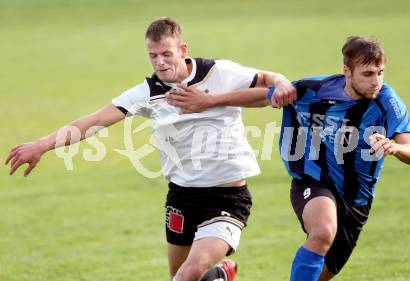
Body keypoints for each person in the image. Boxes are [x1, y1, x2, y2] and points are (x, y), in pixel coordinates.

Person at [4, 17, 294, 281]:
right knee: (179, 276)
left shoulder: (218, 72)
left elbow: (270, 80)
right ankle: (220, 276)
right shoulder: (147, 93)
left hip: (227, 198)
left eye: (166, 54)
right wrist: (42, 145)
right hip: (182, 196)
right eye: (153, 56)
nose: (160, 62)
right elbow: (93, 121)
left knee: (188, 274)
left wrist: (281, 83)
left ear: (182, 49)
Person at [166, 36, 410, 280]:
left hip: (357, 198)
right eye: (367, 74)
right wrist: (209, 101)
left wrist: (395, 148)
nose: (376, 81)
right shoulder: (314, 90)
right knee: (322, 232)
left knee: (321, 271)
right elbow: (263, 96)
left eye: (380, 73)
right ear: (347, 71)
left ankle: (217, 277)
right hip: (313, 181)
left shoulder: (387, 101)